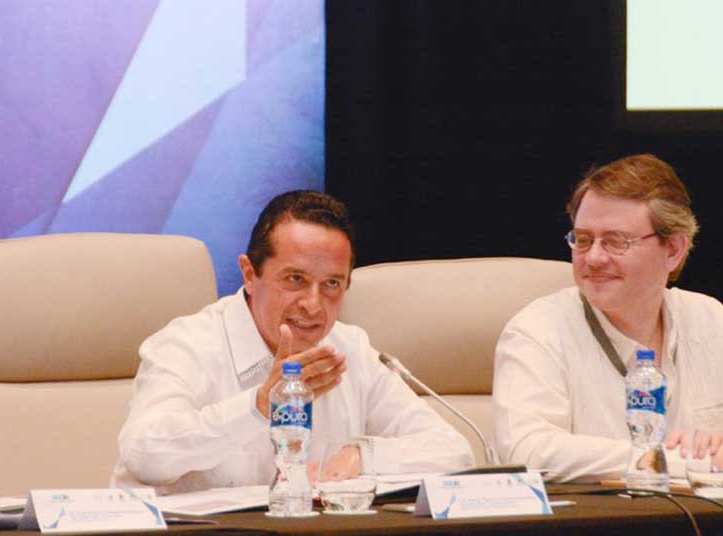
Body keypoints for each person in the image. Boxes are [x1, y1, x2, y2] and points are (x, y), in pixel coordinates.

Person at [493, 154, 723, 482]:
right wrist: (668, 461)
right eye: (583, 240)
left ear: (673, 250)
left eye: (615, 242)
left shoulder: (714, 324)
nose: (593, 257)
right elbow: (527, 450)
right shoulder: (538, 330)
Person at [113, 190, 473, 494]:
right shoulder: (186, 345)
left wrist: (363, 457)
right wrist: (258, 407)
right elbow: (144, 455)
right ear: (249, 274)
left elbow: (454, 452)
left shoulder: (349, 350)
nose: (313, 305)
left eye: (332, 284)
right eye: (295, 279)